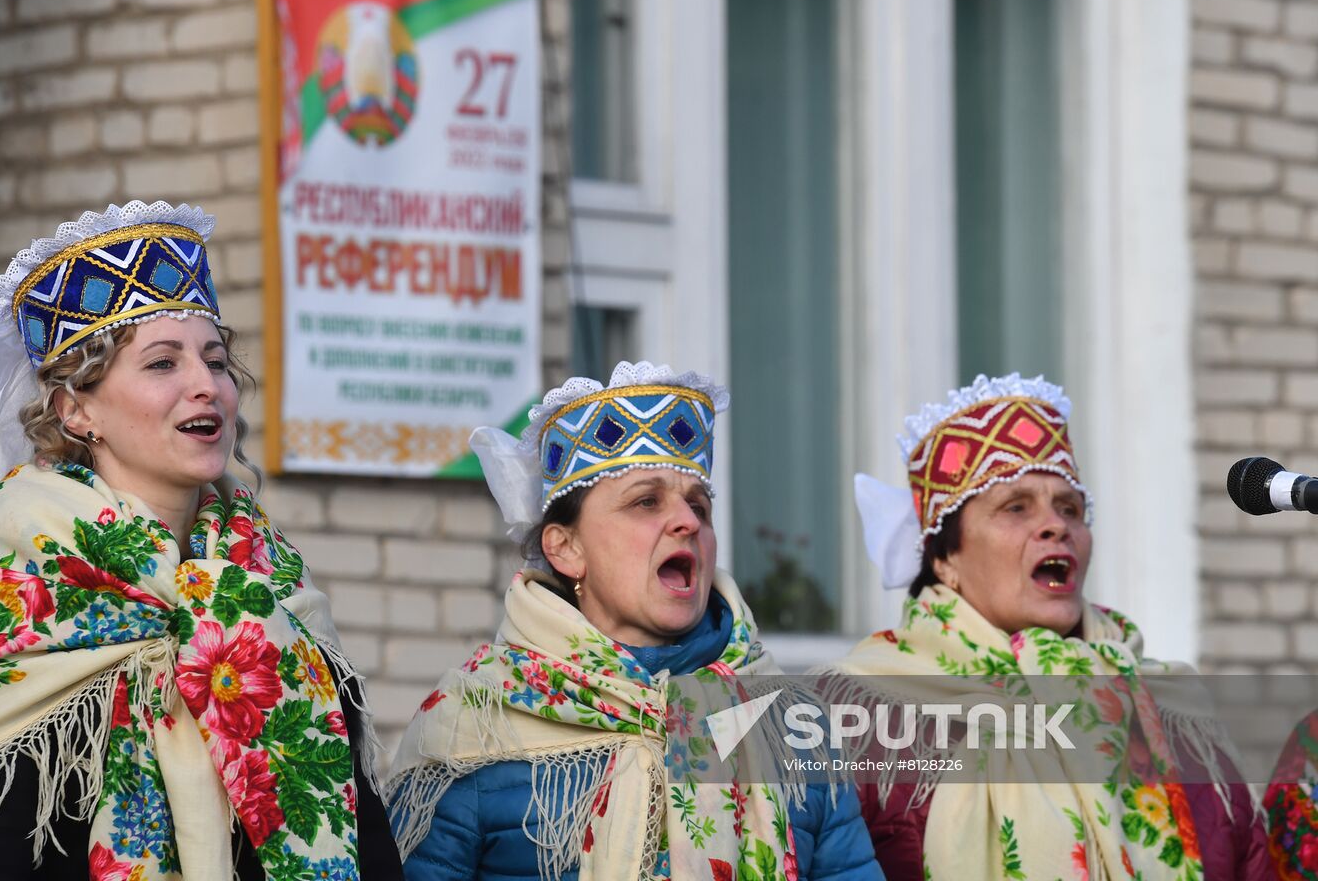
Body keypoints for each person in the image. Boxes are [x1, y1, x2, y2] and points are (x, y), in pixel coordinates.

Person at [0, 202, 401, 879]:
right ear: (76, 409)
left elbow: (365, 847)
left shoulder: (275, 594)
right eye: (162, 364)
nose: (206, 387)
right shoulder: (16, 598)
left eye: (215, 360)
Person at [383, 362, 883, 881]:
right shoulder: (476, 725)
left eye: (699, 507)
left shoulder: (793, 728)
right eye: (646, 501)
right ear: (566, 547)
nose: (688, 521)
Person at [820, 373, 1272, 880]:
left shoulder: (1173, 712)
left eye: (1070, 508)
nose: (1057, 526)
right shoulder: (857, 717)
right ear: (944, 556)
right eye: (1015, 507)